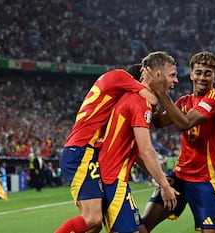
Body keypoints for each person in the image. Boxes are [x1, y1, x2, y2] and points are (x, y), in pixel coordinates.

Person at [55, 65, 158, 233]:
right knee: (92, 219)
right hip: (81, 150)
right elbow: (151, 99)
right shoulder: (120, 76)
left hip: (84, 150)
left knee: (94, 226)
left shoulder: (109, 87)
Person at [140, 51, 215, 233]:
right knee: (142, 226)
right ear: (191, 74)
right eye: (198, 72)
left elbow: (185, 123)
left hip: (205, 179)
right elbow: (159, 122)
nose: (202, 77)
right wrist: (151, 93)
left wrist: (162, 92)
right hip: (179, 177)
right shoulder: (183, 101)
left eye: (208, 73)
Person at [98, 51, 179, 233]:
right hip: (113, 179)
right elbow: (146, 151)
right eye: (172, 75)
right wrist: (165, 186)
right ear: (158, 74)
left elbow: (133, 152)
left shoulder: (137, 99)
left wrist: (159, 178)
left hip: (113, 178)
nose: (176, 81)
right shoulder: (140, 101)